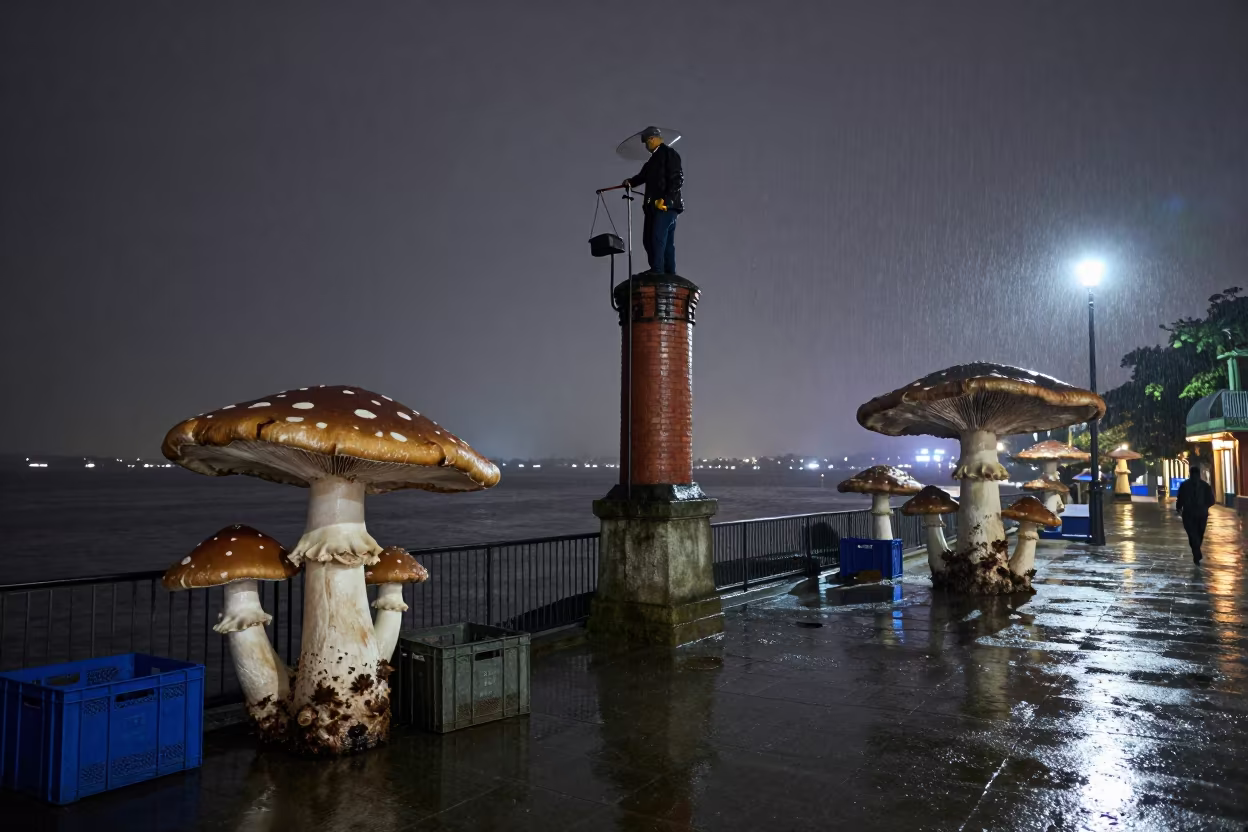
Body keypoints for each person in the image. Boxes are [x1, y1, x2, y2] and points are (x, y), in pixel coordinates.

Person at [622, 126, 684, 275]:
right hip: (654, 207)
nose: (646, 145)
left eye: (647, 141)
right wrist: (630, 182)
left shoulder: (669, 154)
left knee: (657, 237)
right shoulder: (653, 161)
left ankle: (658, 270)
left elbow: (677, 179)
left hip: (664, 206)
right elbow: (642, 176)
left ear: (653, 138)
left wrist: (666, 200)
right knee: (659, 240)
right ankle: (667, 272)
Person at [1175, 463, 1215, 563]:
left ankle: (1196, 552)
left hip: (1189, 514)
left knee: (1193, 535)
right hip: (1201, 514)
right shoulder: (1205, 486)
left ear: (1190, 473)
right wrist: (1205, 507)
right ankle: (1197, 553)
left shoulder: (1184, 485)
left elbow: (1180, 499)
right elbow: (1211, 500)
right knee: (1198, 534)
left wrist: (1179, 508)